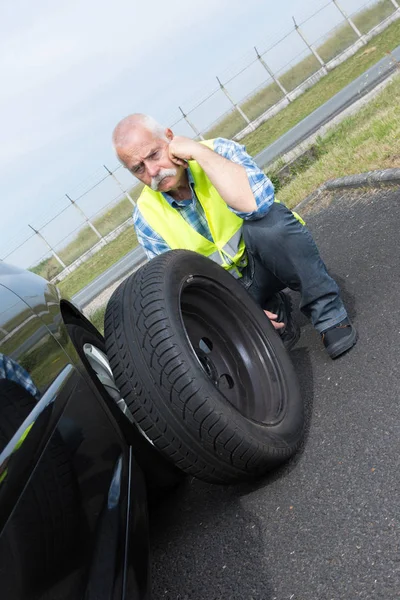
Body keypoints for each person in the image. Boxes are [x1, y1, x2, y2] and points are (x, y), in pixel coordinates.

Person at [112, 113, 357, 358]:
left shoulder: (217, 151)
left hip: (269, 263)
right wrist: (241, 315)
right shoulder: (146, 218)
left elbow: (257, 205)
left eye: (154, 155)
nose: (153, 171)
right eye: (138, 168)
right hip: (229, 293)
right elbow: (179, 291)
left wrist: (199, 153)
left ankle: (329, 317)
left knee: (270, 225)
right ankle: (270, 310)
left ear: (169, 138)